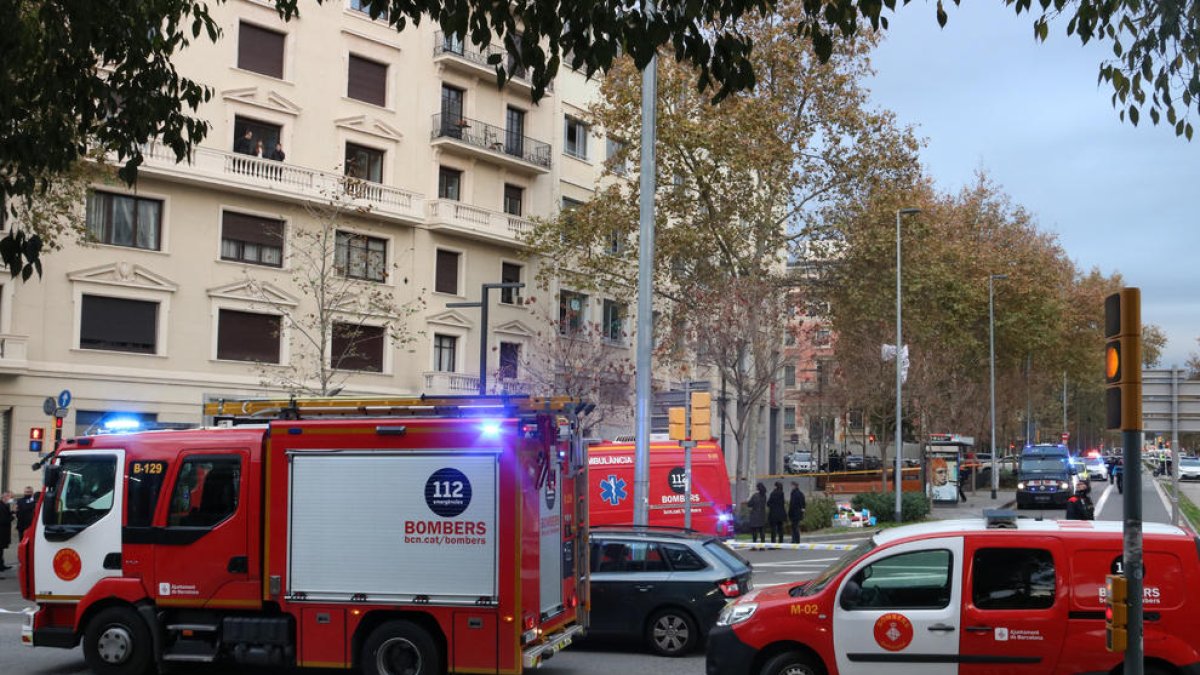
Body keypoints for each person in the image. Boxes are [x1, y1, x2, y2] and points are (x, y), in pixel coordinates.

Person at [0, 491, 13, 572]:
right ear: (4, 497)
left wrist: (12, 512)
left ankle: (1, 566)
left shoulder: (4, 505)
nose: (10, 499)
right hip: (1, 532)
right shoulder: (1, 506)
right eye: (9, 497)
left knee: (1, 551)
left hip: (3, 533)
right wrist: (12, 517)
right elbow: (3, 520)